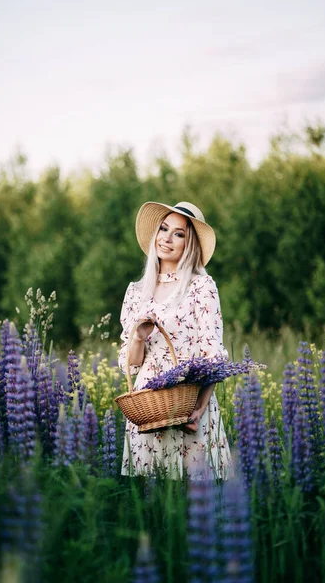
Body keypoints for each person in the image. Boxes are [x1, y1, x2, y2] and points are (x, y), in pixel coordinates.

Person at [118, 201, 232, 480]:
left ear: (189, 243)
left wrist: (200, 407)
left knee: (195, 496)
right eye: (164, 229)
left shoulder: (200, 286)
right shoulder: (135, 291)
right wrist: (139, 339)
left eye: (178, 233)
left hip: (189, 402)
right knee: (150, 497)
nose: (167, 238)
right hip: (146, 408)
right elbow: (130, 365)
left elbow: (213, 356)